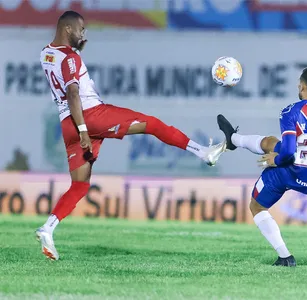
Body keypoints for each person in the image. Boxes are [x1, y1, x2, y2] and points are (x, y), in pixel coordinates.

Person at [36, 11, 226, 261]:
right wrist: (84, 130)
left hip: (67, 123)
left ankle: (48, 228)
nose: (84, 34)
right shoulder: (69, 57)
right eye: (81, 29)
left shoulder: (46, 53)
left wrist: (78, 52)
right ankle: (203, 152)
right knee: (152, 124)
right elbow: (73, 93)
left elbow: (65, 71)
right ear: (68, 29)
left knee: (80, 185)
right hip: (90, 115)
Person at [217, 67, 307, 267]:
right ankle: (233, 139)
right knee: (270, 141)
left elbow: (287, 152)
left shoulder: (291, 111)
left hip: (287, 171)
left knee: (257, 207)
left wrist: (274, 161)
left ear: (302, 86)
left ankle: (285, 256)